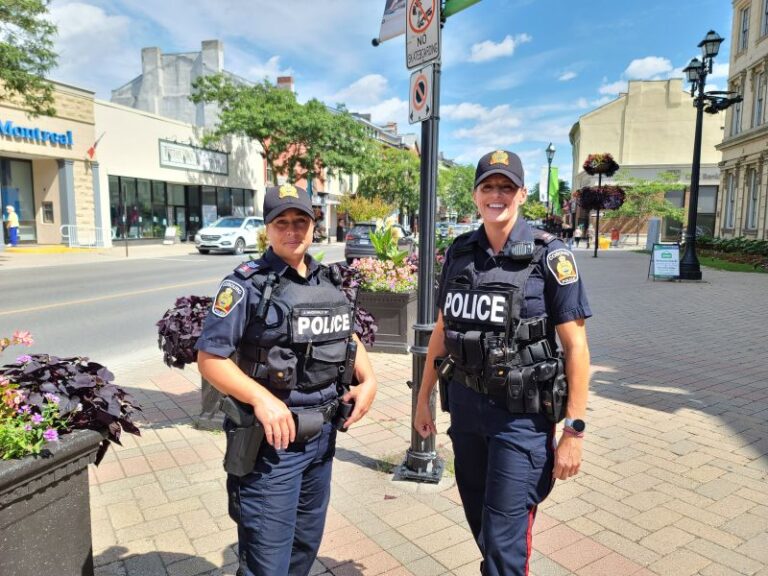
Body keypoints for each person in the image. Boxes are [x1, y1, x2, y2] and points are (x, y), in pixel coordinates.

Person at [414, 150, 591, 576]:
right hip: (467, 411)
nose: (497, 195)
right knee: (482, 525)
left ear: (522, 195)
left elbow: (577, 348)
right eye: (488, 187)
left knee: (504, 544)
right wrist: (423, 398)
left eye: (506, 187)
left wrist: (574, 430)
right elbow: (442, 330)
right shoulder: (460, 252)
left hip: (521, 419)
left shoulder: (551, 256)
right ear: (475, 195)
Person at [196, 183, 378, 576]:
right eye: (282, 222)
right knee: (267, 560)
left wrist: (370, 378)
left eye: (301, 221)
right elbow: (210, 358)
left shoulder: (325, 281)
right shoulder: (245, 284)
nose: (292, 230)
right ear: (267, 229)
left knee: (304, 546)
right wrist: (261, 399)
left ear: (313, 227)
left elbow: (346, 334)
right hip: (271, 446)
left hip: (323, 437)